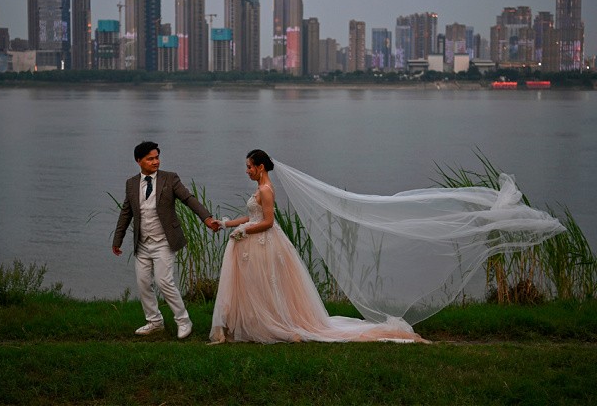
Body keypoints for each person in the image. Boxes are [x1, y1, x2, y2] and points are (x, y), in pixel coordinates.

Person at [209, 149, 427, 344]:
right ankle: (258, 322)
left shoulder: (266, 190)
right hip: (256, 243)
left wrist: (244, 230)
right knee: (259, 285)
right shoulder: (260, 188)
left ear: (260, 167)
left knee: (265, 285)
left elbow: (267, 222)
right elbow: (253, 216)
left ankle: (274, 325)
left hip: (264, 243)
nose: (247, 171)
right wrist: (227, 224)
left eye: (249, 167)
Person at [112, 141, 219, 338]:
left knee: (164, 281)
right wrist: (117, 239)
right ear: (139, 161)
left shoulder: (170, 179)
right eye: (150, 158)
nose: (155, 162)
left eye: (157, 157)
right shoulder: (131, 183)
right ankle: (154, 321)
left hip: (164, 241)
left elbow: (188, 199)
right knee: (143, 283)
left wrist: (207, 218)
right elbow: (126, 213)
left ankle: (184, 320)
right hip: (142, 243)